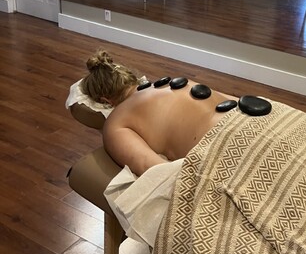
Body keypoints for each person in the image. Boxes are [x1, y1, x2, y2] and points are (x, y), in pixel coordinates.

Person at [80, 50, 238, 175]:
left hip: (225, 156)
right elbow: (236, 101)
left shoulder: (117, 121)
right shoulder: (178, 84)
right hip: (245, 124)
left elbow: (155, 170)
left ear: (106, 101)